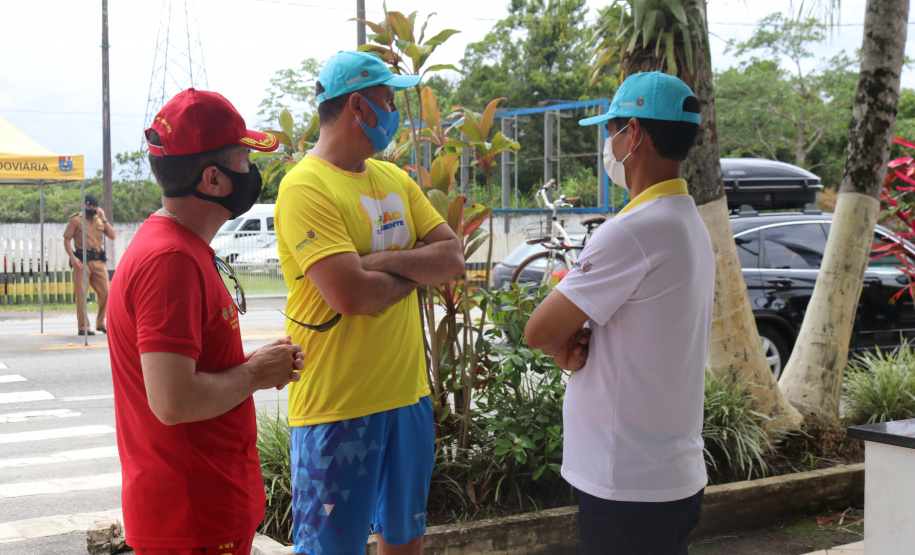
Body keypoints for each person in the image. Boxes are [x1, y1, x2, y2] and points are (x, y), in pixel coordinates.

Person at [274, 50, 465, 555]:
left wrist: (376, 263)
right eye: (388, 99)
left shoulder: (394, 179)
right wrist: (410, 265)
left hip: (408, 398)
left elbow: (451, 258)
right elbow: (351, 295)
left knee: (405, 543)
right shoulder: (304, 187)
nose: (395, 110)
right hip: (337, 408)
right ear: (358, 106)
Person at [107, 88, 305, 555]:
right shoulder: (170, 259)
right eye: (244, 159)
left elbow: (190, 373)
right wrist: (256, 374)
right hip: (191, 519)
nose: (251, 173)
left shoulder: (180, 248)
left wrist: (252, 364)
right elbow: (173, 401)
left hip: (204, 512)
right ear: (213, 179)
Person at [525, 71, 715, 555]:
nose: (609, 143)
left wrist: (560, 344)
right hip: (666, 475)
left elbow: (539, 329)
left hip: (626, 484)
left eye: (612, 130)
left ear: (634, 133)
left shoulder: (632, 230)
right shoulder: (686, 221)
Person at [63, 194, 115, 335]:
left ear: (97, 207)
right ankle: (83, 327)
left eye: (92, 206)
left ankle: (100, 323)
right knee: (81, 295)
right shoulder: (75, 220)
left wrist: (104, 218)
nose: (90, 208)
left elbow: (112, 235)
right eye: (87, 206)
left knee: (105, 292)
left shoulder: (100, 220)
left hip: (98, 262)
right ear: (83, 206)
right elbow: (67, 239)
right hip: (81, 262)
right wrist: (73, 258)